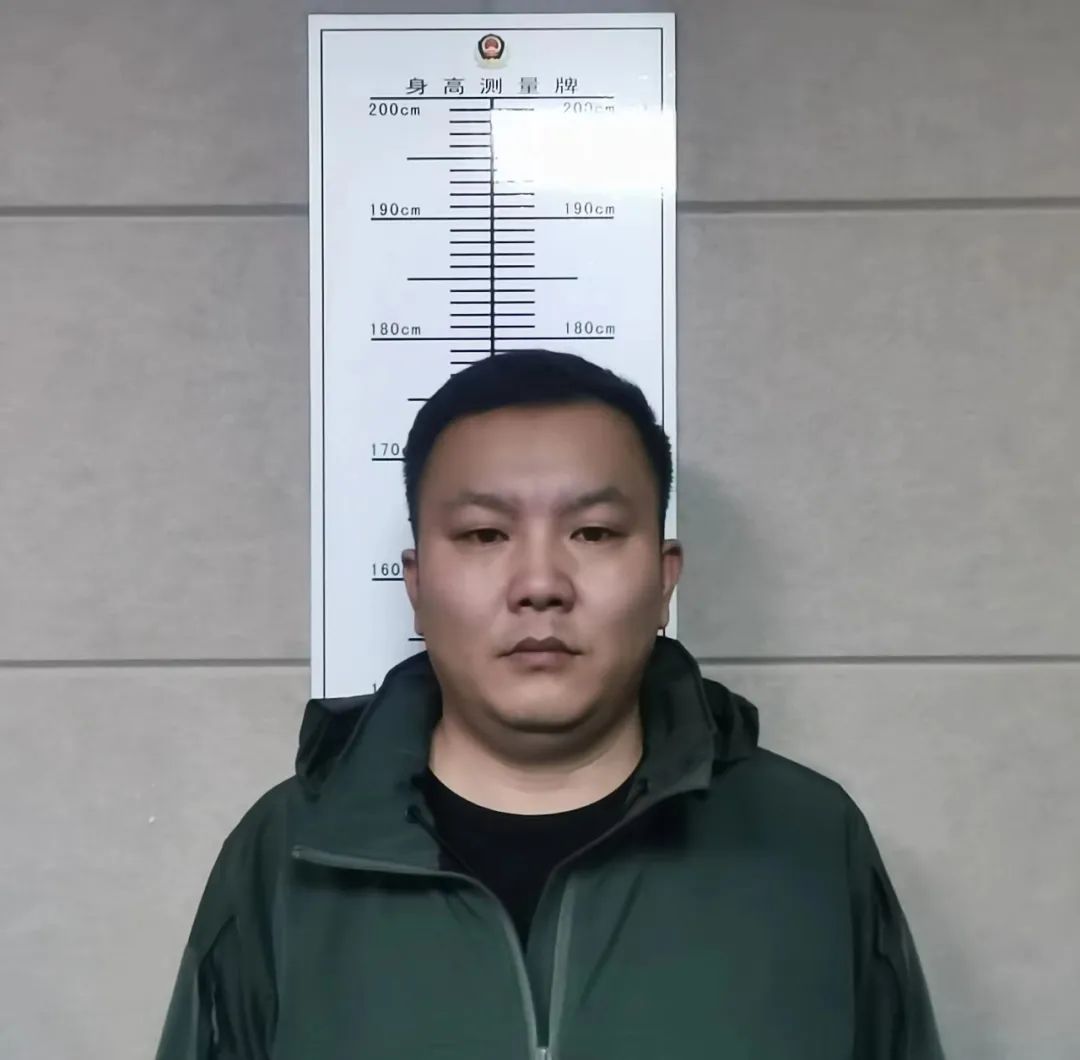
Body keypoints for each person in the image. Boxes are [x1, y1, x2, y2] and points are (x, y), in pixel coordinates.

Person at [155, 349, 945, 1059]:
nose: (540, 584)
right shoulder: (286, 858)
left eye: (593, 533)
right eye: (484, 535)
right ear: (417, 585)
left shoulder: (808, 842)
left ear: (664, 579)